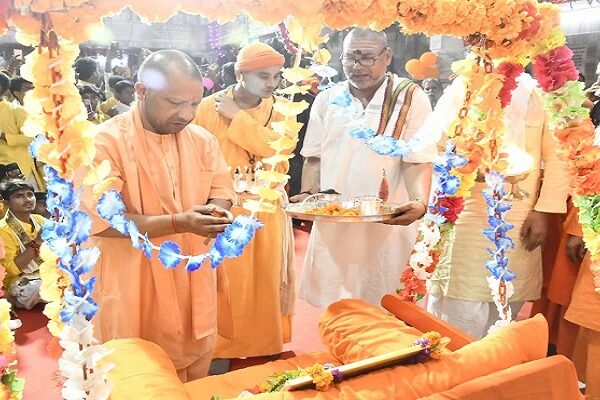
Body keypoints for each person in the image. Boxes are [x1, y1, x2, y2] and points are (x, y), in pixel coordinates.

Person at [82, 49, 235, 382]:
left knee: (195, 365)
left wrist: (217, 212)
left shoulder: (203, 139)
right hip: (133, 277)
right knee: (135, 372)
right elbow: (101, 220)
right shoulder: (104, 142)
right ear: (141, 91)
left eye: (195, 103)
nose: (187, 114)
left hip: (192, 270)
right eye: (175, 102)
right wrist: (178, 223)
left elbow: (223, 188)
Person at [295, 28, 436, 308]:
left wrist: (419, 202)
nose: (357, 67)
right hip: (335, 219)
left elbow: (418, 158)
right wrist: (309, 196)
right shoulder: (327, 99)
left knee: (387, 300)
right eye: (350, 58)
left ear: (387, 56)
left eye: (367, 58)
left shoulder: (410, 97)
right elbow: (314, 156)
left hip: (387, 221)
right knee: (335, 304)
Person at [426, 72, 570, 339]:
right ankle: (455, 369)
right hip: (465, 208)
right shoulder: (463, 85)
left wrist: (544, 211)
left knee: (506, 303)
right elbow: (440, 146)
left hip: (518, 211)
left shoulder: (539, 93)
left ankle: (492, 369)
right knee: (458, 301)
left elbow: (558, 158)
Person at [194, 42, 295, 363]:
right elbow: (196, 155)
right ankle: (221, 348)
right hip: (224, 207)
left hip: (266, 207)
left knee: (264, 279)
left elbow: (280, 151)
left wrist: (238, 119)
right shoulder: (207, 108)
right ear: (240, 73)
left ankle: (263, 345)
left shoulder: (283, 109)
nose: (271, 83)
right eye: (263, 75)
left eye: (277, 76)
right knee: (227, 281)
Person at [0, 179, 45, 310]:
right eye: (19, 196)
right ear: (6, 203)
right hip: (21, 281)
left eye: (30, 194)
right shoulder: (3, 230)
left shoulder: (39, 220)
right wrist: (37, 243)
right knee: (39, 288)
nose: (27, 200)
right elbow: (10, 270)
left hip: (45, 272)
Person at [0, 72, 44, 190]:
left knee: (26, 203)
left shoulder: (16, 110)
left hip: (18, 169)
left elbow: (33, 138)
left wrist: (4, 136)